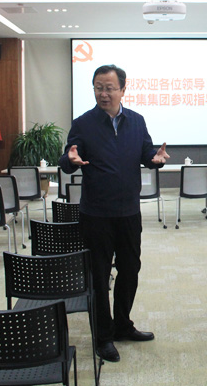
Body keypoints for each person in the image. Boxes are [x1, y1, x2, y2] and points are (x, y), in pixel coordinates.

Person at [59, 64, 169, 363]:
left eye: (109, 88)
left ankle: (122, 324)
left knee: (130, 269)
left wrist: (155, 159)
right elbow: (68, 158)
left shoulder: (136, 121)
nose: (103, 93)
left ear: (123, 89)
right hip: (96, 214)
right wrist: (69, 159)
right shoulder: (83, 123)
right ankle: (103, 336)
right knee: (98, 275)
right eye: (98, 88)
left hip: (129, 211)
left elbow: (147, 154)